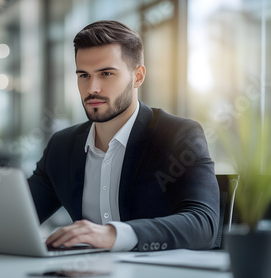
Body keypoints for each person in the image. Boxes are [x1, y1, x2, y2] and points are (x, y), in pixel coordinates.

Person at [28, 20, 219, 252]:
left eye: (106, 73)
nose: (92, 88)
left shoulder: (178, 135)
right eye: (84, 75)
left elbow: (203, 225)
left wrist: (113, 234)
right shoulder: (62, 146)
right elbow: (17, 218)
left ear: (137, 77)